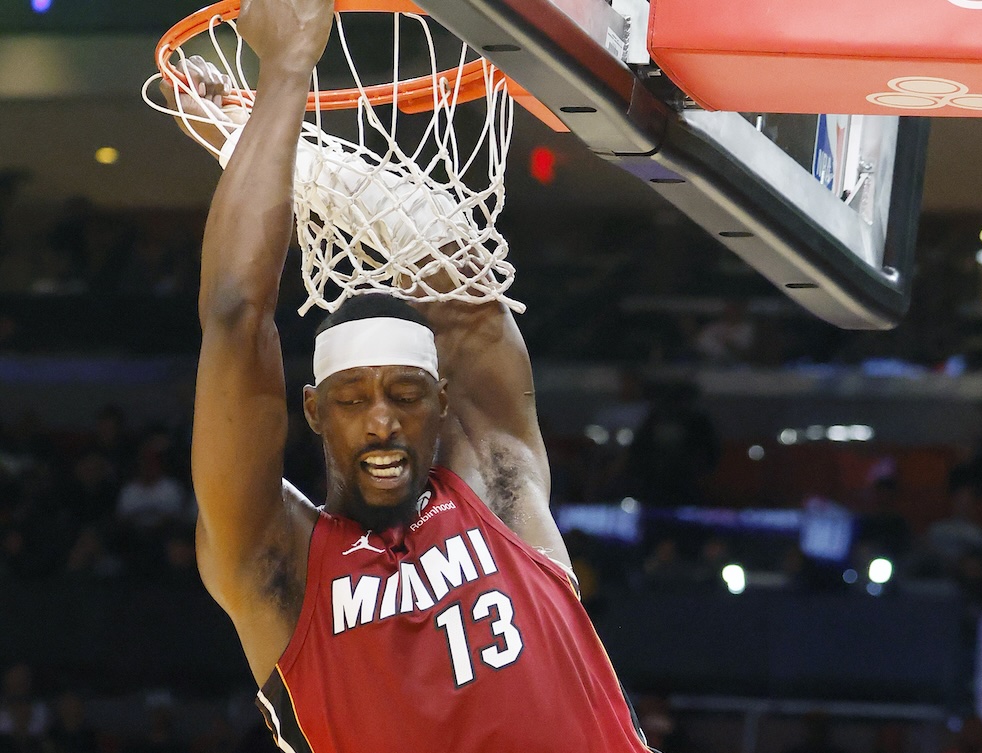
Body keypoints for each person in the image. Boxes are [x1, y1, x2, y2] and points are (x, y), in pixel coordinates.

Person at [165, 2, 650, 751]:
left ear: (442, 402)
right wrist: (283, 74)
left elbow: (454, 268)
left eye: (405, 394)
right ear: (313, 410)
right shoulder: (280, 567)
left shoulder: (498, 487)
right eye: (353, 398)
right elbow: (234, 319)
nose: (382, 420)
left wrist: (259, 141)